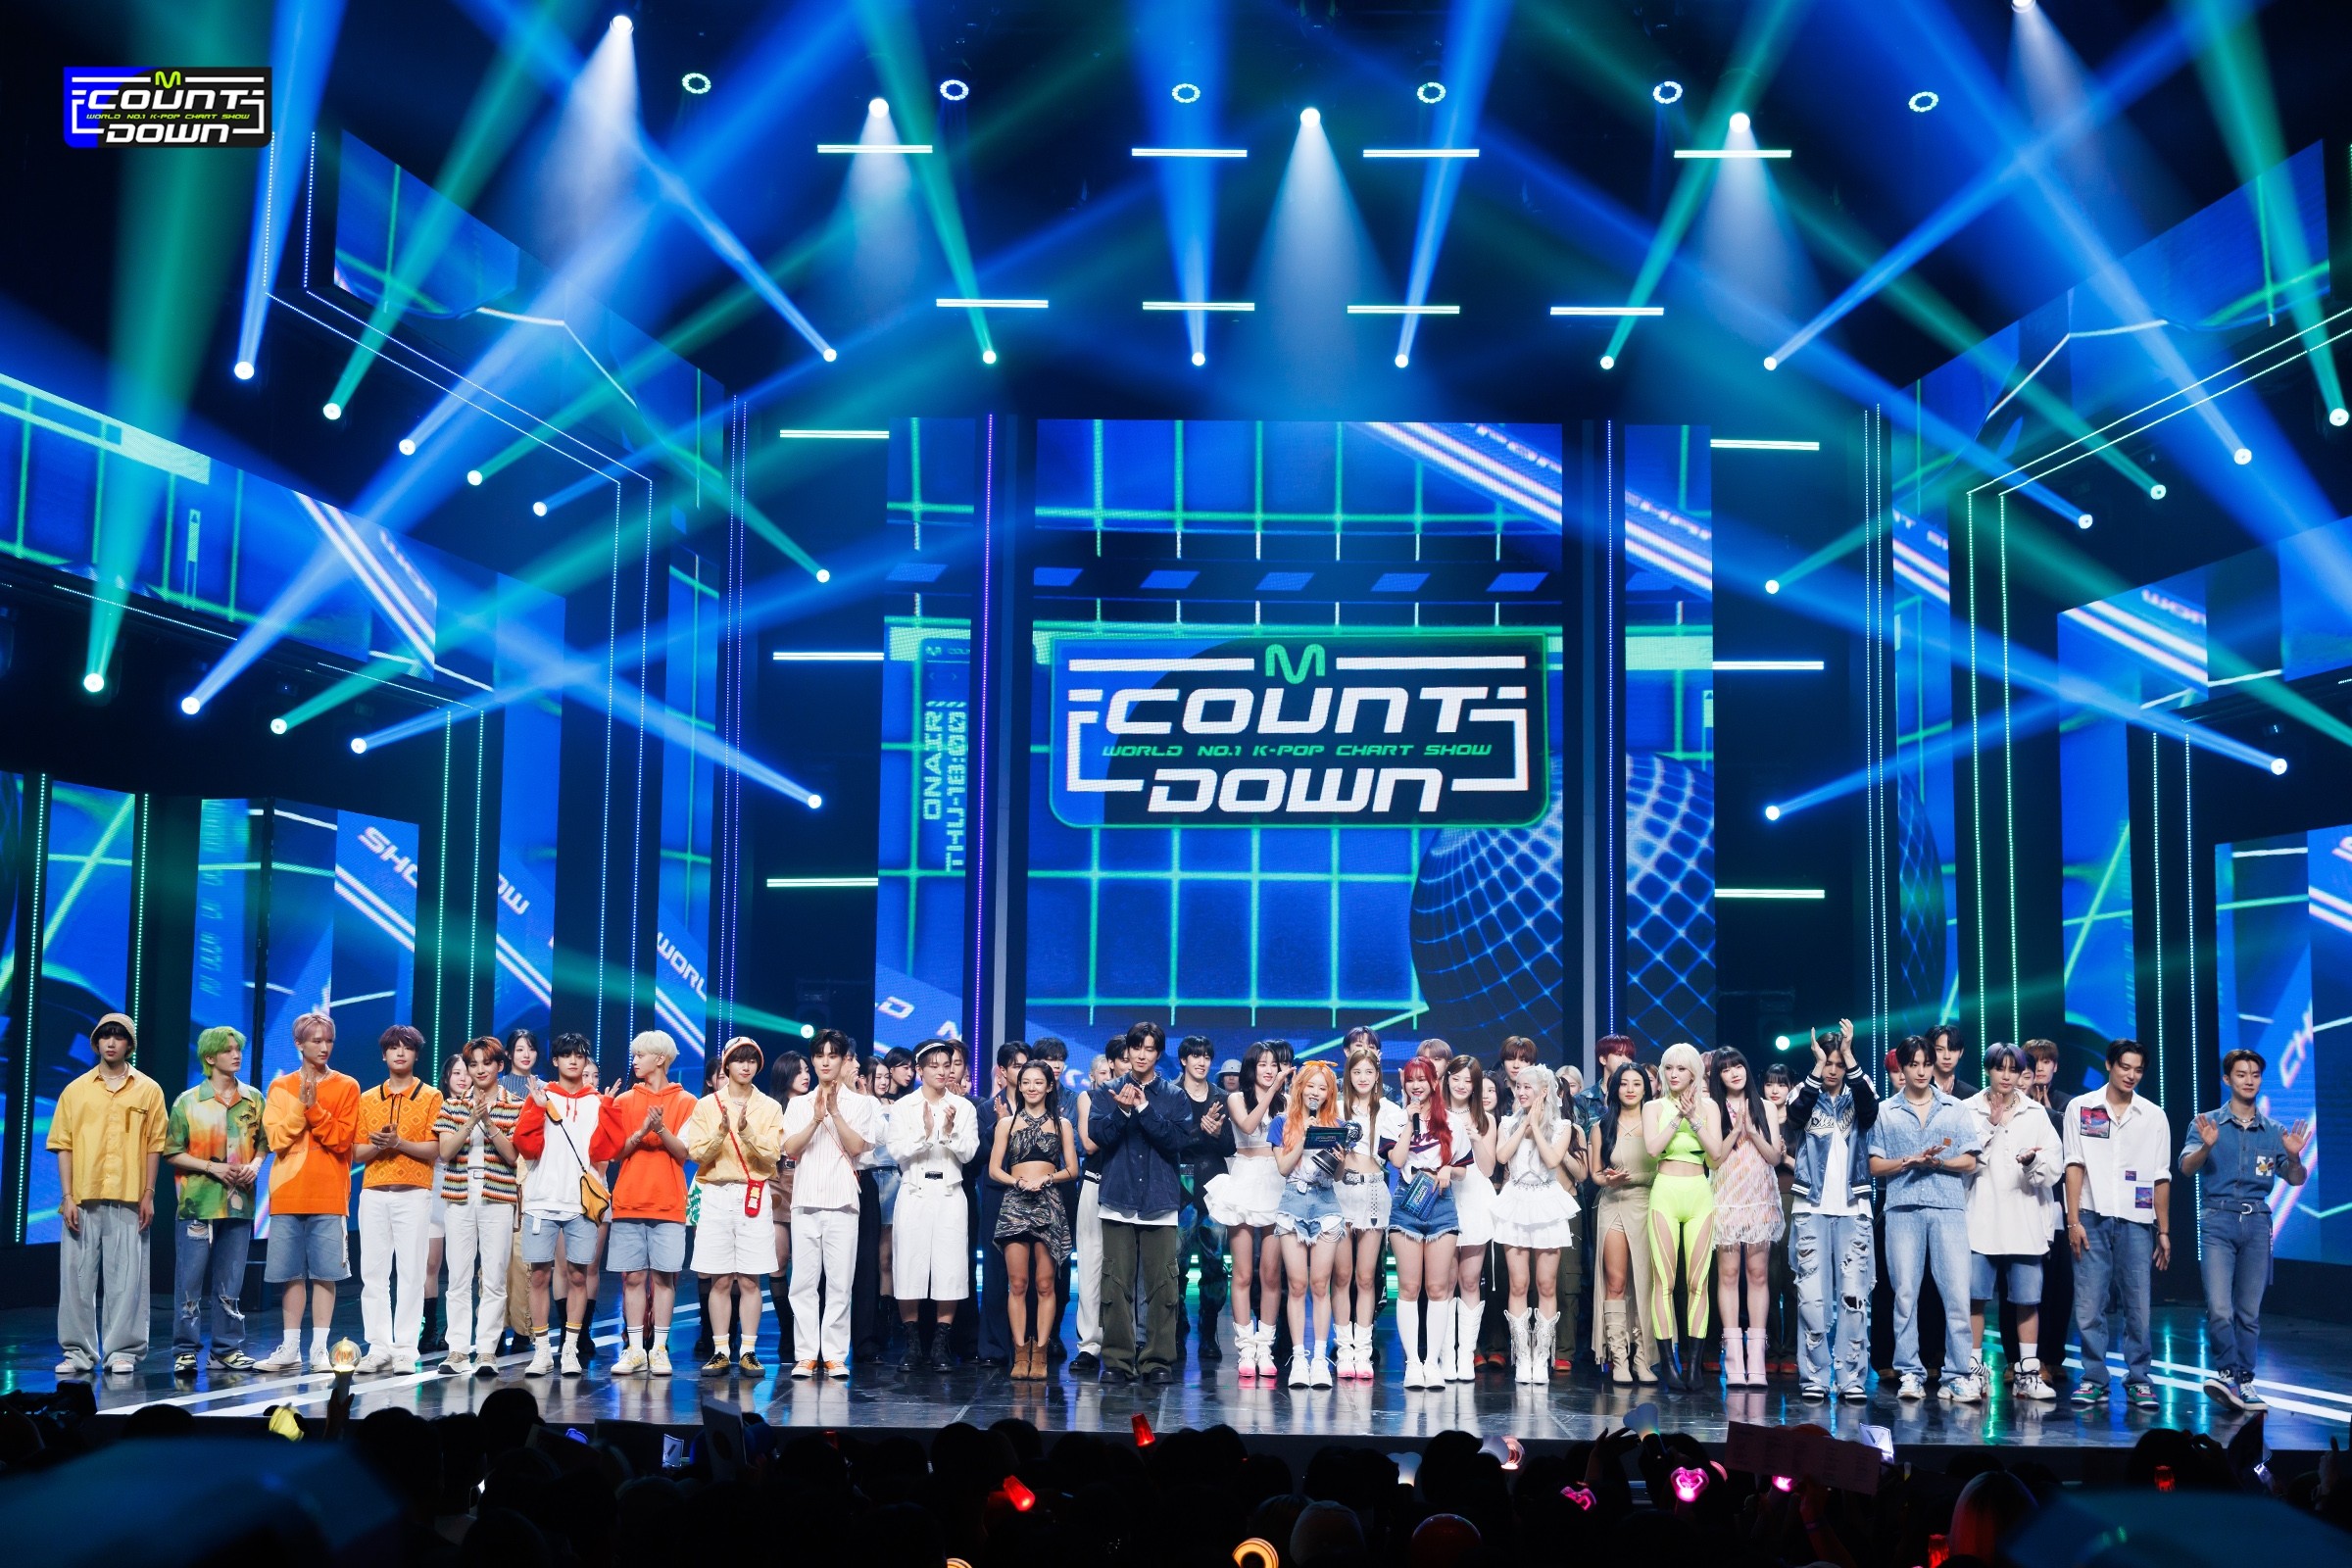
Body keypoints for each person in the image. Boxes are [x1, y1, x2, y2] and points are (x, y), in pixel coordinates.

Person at [2180, 1047, 2309, 1410]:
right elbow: (2186, 1168)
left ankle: (2246, 1381)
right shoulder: (2207, 1123)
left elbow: (2295, 1179)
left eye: (2255, 1074)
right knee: (2220, 1307)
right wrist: (2206, 1147)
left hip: (2256, 1222)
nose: (2249, 1080)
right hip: (2217, 1220)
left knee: (2249, 1312)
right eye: (2241, 1074)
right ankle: (2227, 1373)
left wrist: (2294, 1157)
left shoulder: (2274, 1131)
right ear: (2227, 1079)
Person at [1869, 1035, 1984, 1401]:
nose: (1921, 1071)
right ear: (1902, 1068)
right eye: (1913, 1064)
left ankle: (1958, 1374)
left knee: (1957, 1295)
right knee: (1905, 1295)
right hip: (1902, 1209)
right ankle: (1910, 1373)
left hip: (1947, 1209)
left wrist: (1938, 1162)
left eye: (1926, 1064)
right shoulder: (1885, 1111)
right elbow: (1874, 1166)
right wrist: (1909, 1161)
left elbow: (1970, 1160)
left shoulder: (1955, 1108)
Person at [52, 1012, 168, 1378]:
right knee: (76, 1278)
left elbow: (154, 1145)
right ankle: (77, 1352)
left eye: (119, 1036)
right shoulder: (76, 1090)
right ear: (96, 1042)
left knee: (128, 1279)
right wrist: (67, 1196)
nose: (112, 1042)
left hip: (129, 1196)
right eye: (105, 1036)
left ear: (129, 1044)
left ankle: (122, 1351)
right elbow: (64, 1144)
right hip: (83, 1196)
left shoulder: (148, 1089)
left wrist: (149, 1193)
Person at [2061, 1038, 2172, 1409]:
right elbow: (2073, 1164)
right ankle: (2094, 1378)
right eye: (2125, 1067)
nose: (2131, 1075)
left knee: (2138, 1305)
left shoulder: (2153, 1116)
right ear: (2109, 1065)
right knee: (2089, 1304)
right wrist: (2072, 1220)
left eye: (2138, 1070)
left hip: (2137, 1221)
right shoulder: (2081, 1107)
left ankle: (2139, 1379)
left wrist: (2164, 1230)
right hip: (2090, 1217)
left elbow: (2161, 1177)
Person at [257, 1011, 361, 1372]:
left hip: (329, 1192)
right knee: (289, 1274)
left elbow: (341, 1139)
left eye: (329, 1040)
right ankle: (290, 1349)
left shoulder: (347, 1086)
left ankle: (318, 1349)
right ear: (299, 1044)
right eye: (316, 1040)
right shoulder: (280, 1087)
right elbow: (276, 1138)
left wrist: (314, 1108)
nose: (324, 1047)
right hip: (288, 1191)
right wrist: (303, 1107)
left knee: (325, 1274)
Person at [1960, 1043, 2063, 1400]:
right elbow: (1961, 1163)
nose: (2006, 1076)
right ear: (1988, 1070)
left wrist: (2032, 1162)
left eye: (2013, 1069)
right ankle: (1972, 1372)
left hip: (2024, 1219)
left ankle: (2028, 1373)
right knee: (1974, 1298)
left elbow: (2054, 1168)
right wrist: (1990, 1126)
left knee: (2027, 1299)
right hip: (1980, 1218)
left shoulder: (2036, 1114)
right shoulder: (1968, 1109)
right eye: (1999, 1068)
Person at [161, 1025, 265, 1377]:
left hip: (239, 1204)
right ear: (209, 1057)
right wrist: (212, 1168)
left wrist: (255, 1166)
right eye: (228, 1050)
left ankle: (226, 1349)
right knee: (189, 1282)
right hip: (198, 1204)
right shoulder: (188, 1101)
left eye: (238, 1049)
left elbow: (264, 1143)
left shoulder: (253, 1098)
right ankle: (185, 1350)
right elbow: (172, 1151)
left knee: (230, 1283)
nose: (236, 1055)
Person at [1090, 1022, 1191, 1385]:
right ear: (1128, 1052)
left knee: (1163, 1284)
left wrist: (1144, 1108)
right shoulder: (1108, 1092)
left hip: (1159, 1200)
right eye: (1137, 1048)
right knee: (1115, 1283)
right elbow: (1098, 1136)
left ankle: (1157, 1359)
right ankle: (1117, 1360)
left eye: (1150, 1048)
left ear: (1158, 1053)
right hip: (1118, 1196)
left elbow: (1176, 1141)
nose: (1142, 1055)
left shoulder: (1174, 1096)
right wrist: (1121, 1112)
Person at [511, 1032, 615, 1377]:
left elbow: (604, 1152)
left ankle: (569, 1349)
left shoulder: (596, 1101)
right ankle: (542, 1351)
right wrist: (536, 1109)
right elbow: (527, 1148)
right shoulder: (542, 1096)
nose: (573, 1060)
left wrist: (610, 1111)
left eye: (579, 1055)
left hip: (580, 1203)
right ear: (555, 1060)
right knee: (539, 1275)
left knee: (578, 1275)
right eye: (567, 1055)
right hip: (541, 1200)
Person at [1783, 1021, 1877, 1401]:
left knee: (1854, 1297)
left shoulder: (1860, 1089)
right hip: (1811, 1206)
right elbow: (1794, 1118)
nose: (1833, 1069)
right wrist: (1817, 1066)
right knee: (1811, 1298)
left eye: (1839, 1063)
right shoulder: (1803, 1092)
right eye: (1829, 1062)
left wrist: (1850, 1055)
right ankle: (1815, 1378)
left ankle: (1851, 1377)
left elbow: (1870, 1110)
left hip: (1854, 1207)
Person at [780, 1028, 879, 1378]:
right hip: (805, 1201)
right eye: (819, 1055)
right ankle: (806, 1354)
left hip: (843, 1202)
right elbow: (790, 1149)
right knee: (803, 1283)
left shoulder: (862, 1104)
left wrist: (835, 1113)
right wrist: (815, 1118)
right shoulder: (798, 1104)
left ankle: (835, 1354)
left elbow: (857, 1147)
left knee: (840, 1282)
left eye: (832, 1055)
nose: (825, 1061)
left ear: (843, 1060)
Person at [687, 1036, 787, 1374]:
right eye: (739, 1060)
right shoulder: (707, 1106)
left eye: (752, 1060)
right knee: (719, 1279)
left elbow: (773, 1155)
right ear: (726, 1065)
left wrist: (746, 1132)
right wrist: (720, 1133)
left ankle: (748, 1350)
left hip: (752, 1193)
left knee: (749, 1279)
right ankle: (720, 1350)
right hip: (716, 1194)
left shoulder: (770, 1107)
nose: (746, 1066)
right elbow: (696, 1153)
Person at [354, 1024, 445, 1374]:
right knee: (373, 1273)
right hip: (374, 1193)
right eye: (394, 1047)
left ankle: (406, 1347)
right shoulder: (366, 1098)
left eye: (407, 1047)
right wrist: (380, 1144)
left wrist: (399, 1143)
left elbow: (435, 1149)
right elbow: (357, 1153)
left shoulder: (431, 1096)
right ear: (384, 1054)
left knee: (411, 1272)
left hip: (414, 1193)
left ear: (416, 1054)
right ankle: (378, 1346)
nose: (400, 1053)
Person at [604, 1030, 696, 1376]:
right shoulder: (625, 1100)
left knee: (664, 1278)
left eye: (640, 1055)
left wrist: (661, 1129)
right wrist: (642, 1131)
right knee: (632, 1278)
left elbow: (685, 1152)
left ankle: (659, 1349)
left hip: (669, 1202)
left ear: (660, 1059)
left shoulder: (687, 1101)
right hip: (629, 1200)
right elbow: (615, 1152)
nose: (635, 1061)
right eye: (634, 1055)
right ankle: (634, 1349)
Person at [432, 1036, 523, 1376]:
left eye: (487, 1063)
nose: (479, 1070)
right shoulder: (453, 1105)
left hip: (497, 1197)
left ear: (500, 1065)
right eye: (473, 1064)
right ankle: (457, 1350)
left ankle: (486, 1351)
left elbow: (512, 1156)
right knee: (458, 1277)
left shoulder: (515, 1104)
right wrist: (471, 1119)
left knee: (494, 1278)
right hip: (459, 1195)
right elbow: (445, 1152)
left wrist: (488, 1123)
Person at [886, 1038, 979, 1372]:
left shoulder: (964, 1107)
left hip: (950, 1193)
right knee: (908, 1267)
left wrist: (950, 1132)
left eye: (947, 1065)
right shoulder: (903, 1107)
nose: (942, 1071)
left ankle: (941, 1345)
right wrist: (925, 1134)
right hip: (914, 1192)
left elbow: (969, 1153)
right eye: (934, 1066)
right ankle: (913, 1345)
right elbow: (896, 1151)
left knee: (950, 1268)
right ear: (919, 1070)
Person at [1491, 1063, 1582, 1383]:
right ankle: (1523, 1356)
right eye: (1518, 1086)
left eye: (1527, 1086)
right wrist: (1523, 1125)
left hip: (1546, 1203)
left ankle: (1542, 1357)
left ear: (1544, 1091)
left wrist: (1536, 1126)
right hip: (1516, 1202)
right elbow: (1502, 1157)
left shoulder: (1563, 1126)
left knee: (1546, 1284)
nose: (1521, 1091)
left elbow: (1553, 1159)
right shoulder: (1506, 1123)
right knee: (1518, 1284)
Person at [1205, 1042, 1290, 1382]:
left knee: (1270, 1275)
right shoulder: (1236, 1099)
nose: (1269, 1070)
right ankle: (1245, 1348)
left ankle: (1265, 1347)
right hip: (1243, 1181)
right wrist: (1272, 1093)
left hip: (1277, 1183)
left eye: (1274, 1065)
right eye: (1262, 1064)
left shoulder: (1288, 1102)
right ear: (1251, 1069)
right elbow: (1251, 1126)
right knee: (1242, 1274)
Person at [991, 1059, 1080, 1378]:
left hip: (1048, 1203)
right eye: (1026, 1081)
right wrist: (1017, 1182)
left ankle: (1040, 1353)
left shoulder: (1061, 1124)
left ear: (1050, 1086)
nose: (1031, 1087)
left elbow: (1073, 1169)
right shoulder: (1007, 1123)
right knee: (1017, 1283)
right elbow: (994, 1169)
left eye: (1038, 1082)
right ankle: (1020, 1353)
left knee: (1045, 1284)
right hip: (1015, 1203)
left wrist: (1047, 1179)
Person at [1642, 1041, 1724, 1389]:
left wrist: (1694, 1117)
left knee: (1697, 1282)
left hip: (1699, 1193)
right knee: (1665, 1282)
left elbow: (1716, 1154)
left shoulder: (1710, 1107)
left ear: (1695, 1072)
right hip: (1665, 1191)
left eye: (1681, 1068)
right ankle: (1669, 1365)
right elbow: (1652, 1149)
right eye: (1669, 1068)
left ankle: (1694, 1366)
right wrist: (1678, 1116)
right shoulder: (1653, 1107)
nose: (1674, 1074)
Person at [1705, 1046, 1784, 1388]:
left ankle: (1757, 1359)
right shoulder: (1712, 1108)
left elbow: (1774, 1158)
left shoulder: (1765, 1106)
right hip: (1725, 1197)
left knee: (1758, 1274)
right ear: (1718, 1076)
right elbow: (1713, 1160)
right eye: (1725, 1069)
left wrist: (1751, 1130)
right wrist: (1735, 1131)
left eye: (1738, 1065)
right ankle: (1734, 1360)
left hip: (1760, 1197)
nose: (1734, 1072)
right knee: (1728, 1274)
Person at [1273, 1060, 1348, 1388]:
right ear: (1300, 1088)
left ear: (1330, 1093)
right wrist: (1304, 1137)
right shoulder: (1282, 1122)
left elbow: (1339, 1176)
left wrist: (1341, 1161)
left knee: (1320, 1284)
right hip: (1292, 1201)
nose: (1316, 1092)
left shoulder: (1337, 1125)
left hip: (1325, 1202)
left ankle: (1319, 1359)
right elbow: (1283, 1168)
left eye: (1323, 1087)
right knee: (1297, 1284)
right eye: (1311, 1086)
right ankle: (1299, 1359)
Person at [1388, 1057, 1459, 1389]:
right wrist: (1409, 1121)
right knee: (1409, 1287)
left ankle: (1432, 1363)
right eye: (1410, 1080)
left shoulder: (1452, 1122)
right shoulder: (1395, 1118)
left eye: (1422, 1080)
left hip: (1441, 1203)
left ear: (1434, 1083)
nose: (1416, 1086)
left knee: (1438, 1288)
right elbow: (1397, 1160)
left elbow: (1464, 1168)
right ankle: (1413, 1364)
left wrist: (1448, 1169)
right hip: (1407, 1201)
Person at [1333, 1045, 1403, 1381]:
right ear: (1348, 1075)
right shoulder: (1336, 1107)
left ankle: (1363, 1349)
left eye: (1369, 1072)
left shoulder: (1389, 1110)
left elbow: (1399, 1156)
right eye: (1356, 1071)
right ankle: (1343, 1350)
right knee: (1342, 1276)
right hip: (1339, 1190)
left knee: (1365, 1277)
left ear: (1377, 1076)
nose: (1362, 1077)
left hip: (1374, 1190)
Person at [1588, 1059, 1660, 1385]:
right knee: (1615, 1283)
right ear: (1615, 1088)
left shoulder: (1657, 1123)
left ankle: (1643, 1359)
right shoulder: (1601, 1126)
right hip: (1614, 1203)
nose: (1630, 1089)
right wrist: (1608, 1180)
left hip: (1649, 1204)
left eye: (1637, 1083)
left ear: (1647, 1089)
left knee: (1646, 1283)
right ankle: (1619, 1359)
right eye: (1624, 1083)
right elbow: (1595, 1174)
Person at [1169, 1035, 1235, 1367]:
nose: (1202, 1062)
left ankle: (1208, 1331)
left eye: (1207, 1056)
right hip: (1180, 1185)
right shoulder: (1169, 1094)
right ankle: (1177, 1327)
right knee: (1176, 1263)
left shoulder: (1222, 1097)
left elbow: (1230, 1147)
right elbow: (1167, 1141)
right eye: (1196, 1056)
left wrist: (1216, 1133)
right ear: (1184, 1060)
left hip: (1214, 1184)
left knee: (1214, 1263)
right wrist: (1199, 1132)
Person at [1439, 1053, 1496, 1383]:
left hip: (1475, 1197)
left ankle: (1466, 1355)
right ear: (1447, 1079)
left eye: (1468, 1080)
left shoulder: (1486, 1119)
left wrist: (1474, 1136)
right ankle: (1448, 1354)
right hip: (1444, 1197)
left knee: (1470, 1280)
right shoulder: (1435, 1113)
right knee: (1446, 1281)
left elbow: (1487, 1169)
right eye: (1456, 1078)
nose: (1461, 1085)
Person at [968, 1040, 1026, 1367]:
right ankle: (992, 1347)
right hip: (996, 1193)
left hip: (1032, 1193)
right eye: (1016, 1065)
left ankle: (1027, 1344)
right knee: (994, 1270)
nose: (1023, 1071)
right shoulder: (987, 1109)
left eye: (1026, 1064)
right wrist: (998, 1126)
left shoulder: (1041, 1105)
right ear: (1002, 1071)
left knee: (1028, 1274)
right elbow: (977, 1154)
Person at [418, 1050, 470, 1360]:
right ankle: (429, 1331)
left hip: (468, 1191)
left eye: (467, 1072)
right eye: (456, 1072)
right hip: (437, 1189)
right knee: (431, 1263)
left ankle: (457, 1333)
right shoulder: (436, 1107)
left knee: (462, 1268)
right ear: (447, 1077)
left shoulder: (481, 1107)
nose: (462, 1078)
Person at [1930, 1024, 1980, 1101]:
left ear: (1961, 1052)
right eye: (1939, 1049)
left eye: (1953, 1049)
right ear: (1929, 1051)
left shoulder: (1972, 1095)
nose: (1947, 1056)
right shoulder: (1918, 1090)